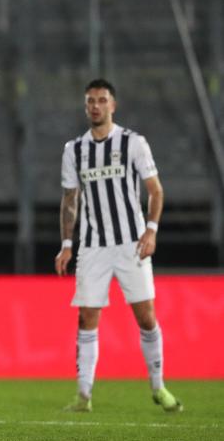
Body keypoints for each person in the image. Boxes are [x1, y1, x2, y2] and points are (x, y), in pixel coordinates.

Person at [55, 79, 181, 413]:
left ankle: (158, 387)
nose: (95, 106)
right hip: (93, 246)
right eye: (90, 101)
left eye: (101, 100)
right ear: (85, 107)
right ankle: (84, 396)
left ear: (113, 105)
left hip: (131, 243)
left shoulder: (133, 143)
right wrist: (67, 244)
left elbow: (155, 190)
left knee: (146, 317)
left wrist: (151, 230)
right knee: (86, 317)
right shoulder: (75, 150)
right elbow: (71, 199)